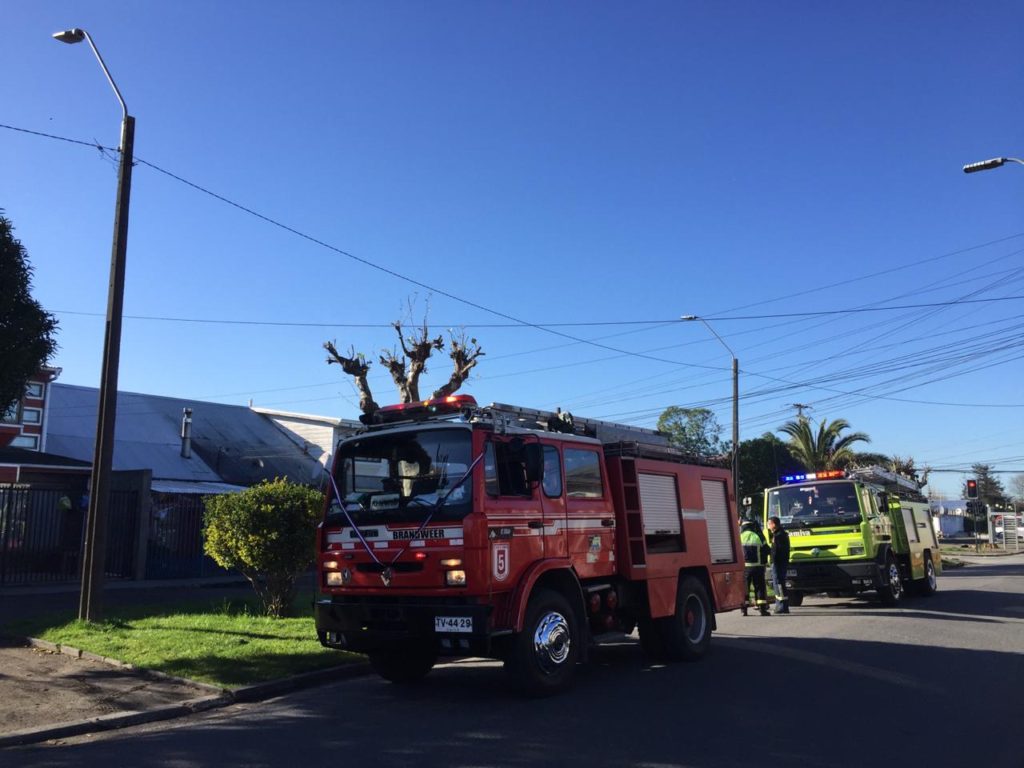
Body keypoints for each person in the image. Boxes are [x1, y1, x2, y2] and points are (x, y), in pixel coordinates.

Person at [739, 517, 771, 616]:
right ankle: (762, 609)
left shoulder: (739, 536)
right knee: (760, 587)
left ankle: (744, 610)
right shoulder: (758, 536)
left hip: (744, 567)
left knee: (745, 588)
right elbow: (767, 550)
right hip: (758, 566)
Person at [767, 515, 791, 614]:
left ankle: (781, 605)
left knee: (778, 584)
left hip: (778, 563)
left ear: (773, 524)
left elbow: (776, 551)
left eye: (769, 523)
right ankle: (783, 605)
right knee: (780, 583)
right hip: (782, 563)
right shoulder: (782, 534)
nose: (768, 526)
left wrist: (772, 561)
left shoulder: (777, 536)